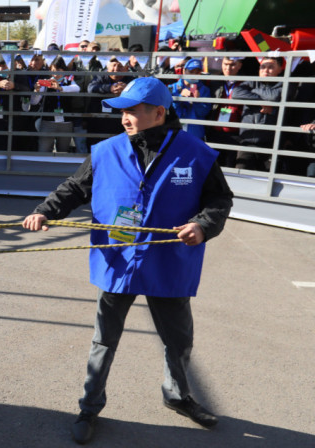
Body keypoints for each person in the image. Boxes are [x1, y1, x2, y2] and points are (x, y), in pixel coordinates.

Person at [22, 77, 233, 445]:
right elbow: (74, 188)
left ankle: (178, 396)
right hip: (118, 260)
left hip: (169, 262)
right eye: (122, 111)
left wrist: (203, 225)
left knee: (179, 340)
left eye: (133, 110)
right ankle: (89, 407)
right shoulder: (105, 151)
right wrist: (45, 211)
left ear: (159, 112)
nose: (125, 118)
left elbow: (219, 201)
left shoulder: (195, 152)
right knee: (104, 340)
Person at [232, 56, 285, 171]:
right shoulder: (251, 81)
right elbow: (236, 93)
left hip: (270, 143)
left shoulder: (284, 84)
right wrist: (261, 102)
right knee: (242, 176)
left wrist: (253, 93)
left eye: (271, 67)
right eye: (263, 67)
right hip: (246, 142)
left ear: (280, 69)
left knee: (268, 180)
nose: (266, 70)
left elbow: (273, 96)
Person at [35, 56, 80, 153]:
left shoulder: (69, 81)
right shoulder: (46, 82)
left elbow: (77, 88)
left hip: (66, 123)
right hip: (48, 122)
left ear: (64, 70)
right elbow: (34, 101)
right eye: (53, 70)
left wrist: (61, 88)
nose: (56, 74)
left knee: (63, 151)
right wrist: (37, 91)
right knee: (43, 150)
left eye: (59, 70)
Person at [206, 56, 244, 167]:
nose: (228, 68)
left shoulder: (246, 83)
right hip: (214, 131)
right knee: (213, 167)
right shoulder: (215, 81)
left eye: (232, 65)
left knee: (230, 166)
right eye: (225, 64)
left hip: (235, 134)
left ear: (239, 66)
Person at [168, 59, 211, 140]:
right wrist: (179, 97)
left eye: (197, 72)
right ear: (184, 71)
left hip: (195, 134)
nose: (194, 75)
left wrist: (197, 101)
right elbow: (169, 111)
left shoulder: (205, 90)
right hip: (176, 132)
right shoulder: (172, 87)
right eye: (191, 72)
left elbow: (204, 112)